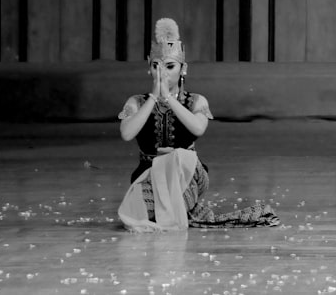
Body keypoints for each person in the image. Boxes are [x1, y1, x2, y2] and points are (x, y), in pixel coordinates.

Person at [117, 17, 280, 232]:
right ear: (149, 67)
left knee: (176, 173)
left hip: (188, 174)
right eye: (156, 66)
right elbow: (127, 133)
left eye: (170, 66)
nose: (162, 72)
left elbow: (198, 128)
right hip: (148, 174)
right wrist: (154, 99)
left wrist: (170, 99)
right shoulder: (137, 102)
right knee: (138, 215)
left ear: (183, 69)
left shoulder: (196, 101)